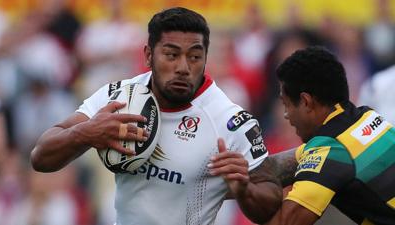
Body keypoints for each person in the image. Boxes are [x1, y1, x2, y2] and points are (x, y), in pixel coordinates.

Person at [30, 7, 282, 225]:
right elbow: (41, 157)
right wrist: (87, 133)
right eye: (171, 55)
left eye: (195, 57)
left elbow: (271, 202)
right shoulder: (120, 97)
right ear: (149, 55)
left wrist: (244, 190)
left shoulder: (230, 120)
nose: (183, 68)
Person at [210, 46, 395, 224]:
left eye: (286, 104)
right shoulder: (364, 117)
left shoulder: (331, 153)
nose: (285, 115)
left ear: (306, 102)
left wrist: (243, 191)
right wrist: (205, 185)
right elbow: (273, 168)